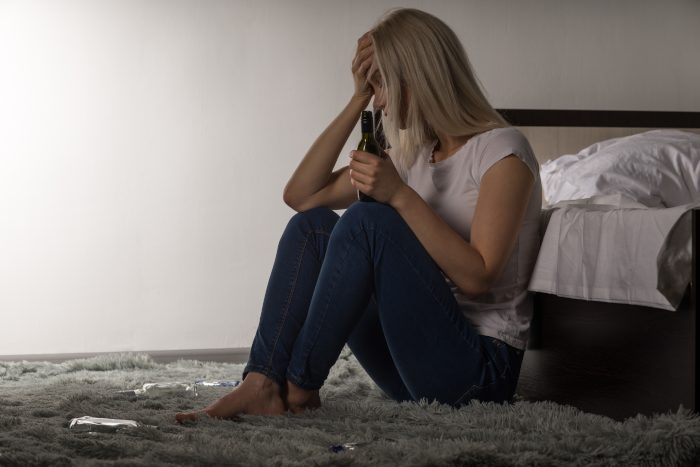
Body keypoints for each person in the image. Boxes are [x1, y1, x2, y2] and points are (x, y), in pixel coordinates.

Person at [176, 7, 541, 423]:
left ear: (418, 77)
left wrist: (401, 197)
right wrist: (356, 100)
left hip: (477, 374)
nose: (380, 101)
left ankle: (300, 384)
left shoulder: (502, 151)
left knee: (369, 221)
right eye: (373, 87)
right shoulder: (412, 156)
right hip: (411, 368)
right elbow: (302, 196)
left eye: (382, 84)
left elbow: (478, 278)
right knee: (313, 229)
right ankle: (261, 382)